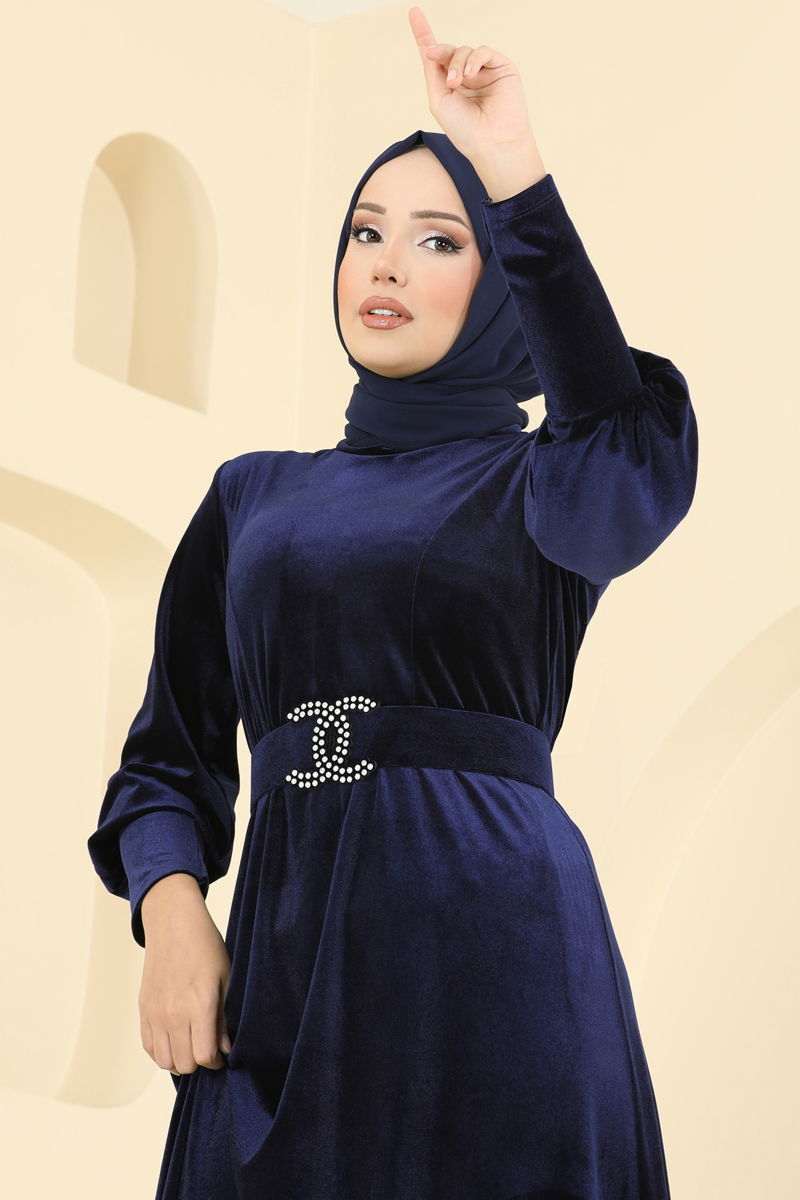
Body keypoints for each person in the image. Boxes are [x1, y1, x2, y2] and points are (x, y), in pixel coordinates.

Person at [87, 8, 698, 1197]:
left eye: (438, 240)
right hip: (286, 957)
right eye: (365, 232)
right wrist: (170, 913)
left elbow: (626, 439)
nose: (384, 263)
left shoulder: (549, 479)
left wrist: (509, 165)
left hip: (499, 959)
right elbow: (166, 759)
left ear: (500, 281)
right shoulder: (252, 496)